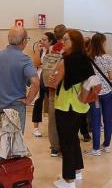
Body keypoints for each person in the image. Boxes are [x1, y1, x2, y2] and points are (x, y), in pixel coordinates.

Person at [48, 29, 95, 188]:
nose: (63, 42)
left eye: (66, 39)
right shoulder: (85, 58)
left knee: (66, 142)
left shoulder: (66, 61)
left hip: (66, 106)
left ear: (74, 42)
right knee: (73, 139)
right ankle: (76, 170)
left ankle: (68, 180)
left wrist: (52, 74)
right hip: (80, 105)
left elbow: (52, 83)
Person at [0, 26, 39, 133]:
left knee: (0, 142)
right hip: (15, 109)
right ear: (24, 41)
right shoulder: (24, 60)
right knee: (15, 144)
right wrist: (28, 100)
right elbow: (35, 83)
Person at [85, 33, 112, 156]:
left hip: (95, 94)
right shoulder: (107, 57)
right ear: (102, 43)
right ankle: (107, 145)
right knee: (108, 120)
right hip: (107, 92)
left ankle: (96, 148)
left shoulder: (88, 58)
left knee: (96, 121)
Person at [31, 32, 56, 137]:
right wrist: (37, 51)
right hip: (40, 78)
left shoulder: (55, 50)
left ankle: (53, 126)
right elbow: (36, 63)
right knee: (38, 102)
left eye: (44, 39)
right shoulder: (41, 51)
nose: (42, 41)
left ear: (50, 41)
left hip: (51, 79)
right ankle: (35, 127)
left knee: (52, 103)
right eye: (41, 39)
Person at [47, 24, 66, 157]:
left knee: (52, 117)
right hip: (64, 86)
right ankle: (64, 145)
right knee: (65, 116)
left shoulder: (51, 49)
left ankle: (54, 146)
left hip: (51, 85)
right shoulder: (67, 49)